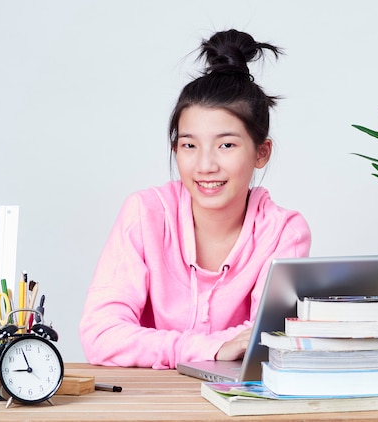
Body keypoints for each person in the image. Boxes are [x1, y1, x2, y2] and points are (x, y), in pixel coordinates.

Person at [79, 29, 311, 369]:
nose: (205, 165)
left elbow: (271, 339)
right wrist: (211, 347)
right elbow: (100, 336)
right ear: (176, 149)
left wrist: (161, 346)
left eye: (226, 145)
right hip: (151, 403)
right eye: (189, 145)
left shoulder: (283, 232)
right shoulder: (145, 213)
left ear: (261, 153)